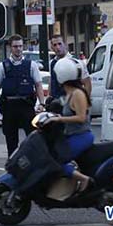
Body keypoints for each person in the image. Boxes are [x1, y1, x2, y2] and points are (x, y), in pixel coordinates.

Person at [0, 34, 47, 157]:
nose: (18, 49)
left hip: (26, 106)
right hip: (9, 107)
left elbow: (38, 85)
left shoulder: (31, 65)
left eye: (20, 46)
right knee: (11, 141)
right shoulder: (3, 66)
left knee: (32, 138)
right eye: (15, 46)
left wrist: (42, 103)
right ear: (10, 47)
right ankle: (13, 167)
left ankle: (33, 166)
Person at [47, 58, 94, 192]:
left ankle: (83, 179)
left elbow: (81, 117)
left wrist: (60, 119)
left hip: (81, 136)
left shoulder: (78, 94)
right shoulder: (69, 93)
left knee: (56, 159)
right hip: (71, 135)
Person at [48, 34, 92, 100]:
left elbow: (87, 83)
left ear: (65, 44)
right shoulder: (52, 63)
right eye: (55, 45)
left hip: (72, 102)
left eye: (60, 44)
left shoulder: (76, 62)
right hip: (56, 103)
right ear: (52, 47)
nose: (57, 47)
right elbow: (52, 81)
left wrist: (84, 101)